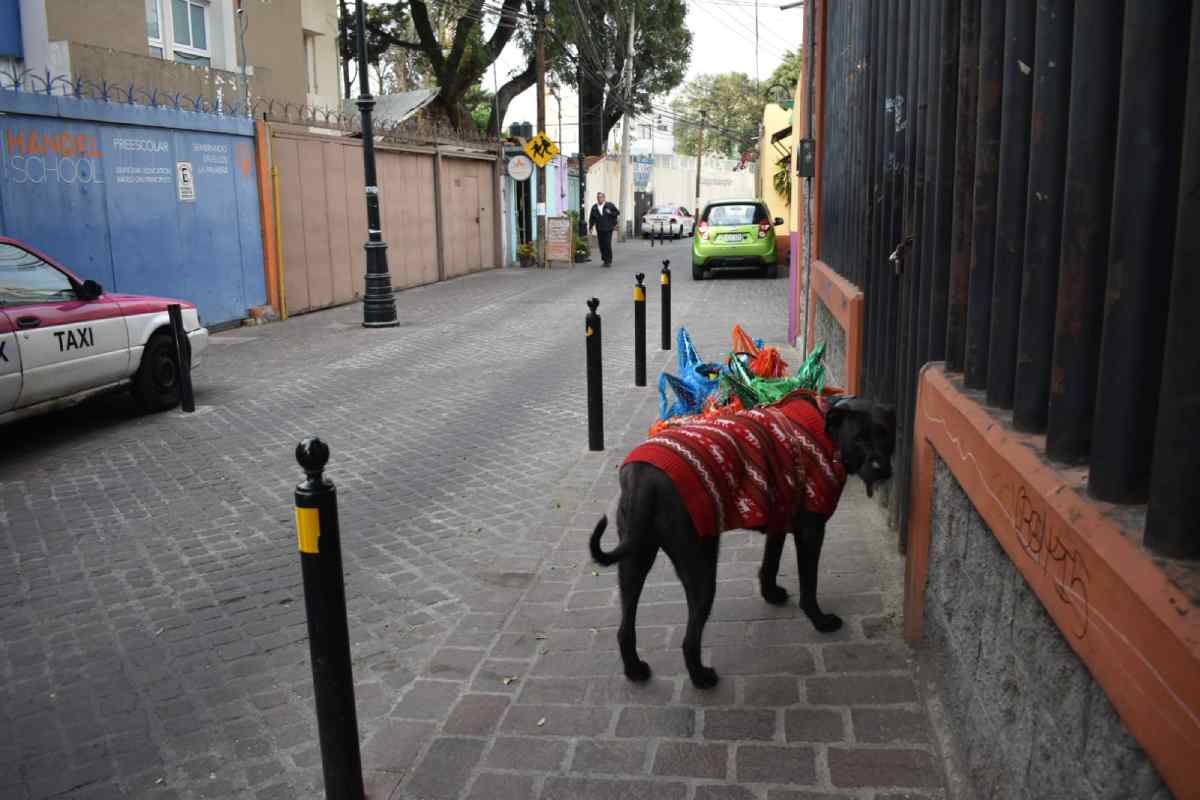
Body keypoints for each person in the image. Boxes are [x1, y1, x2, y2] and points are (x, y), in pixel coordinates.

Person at [588, 192, 620, 267]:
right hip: (599, 228)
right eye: (598, 197)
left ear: (604, 198)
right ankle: (604, 260)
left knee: (607, 244)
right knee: (602, 245)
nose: (599, 198)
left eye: (601, 197)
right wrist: (591, 227)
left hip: (608, 228)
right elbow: (591, 218)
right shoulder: (594, 207)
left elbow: (617, 213)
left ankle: (608, 261)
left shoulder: (609, 205)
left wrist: (610, 212)